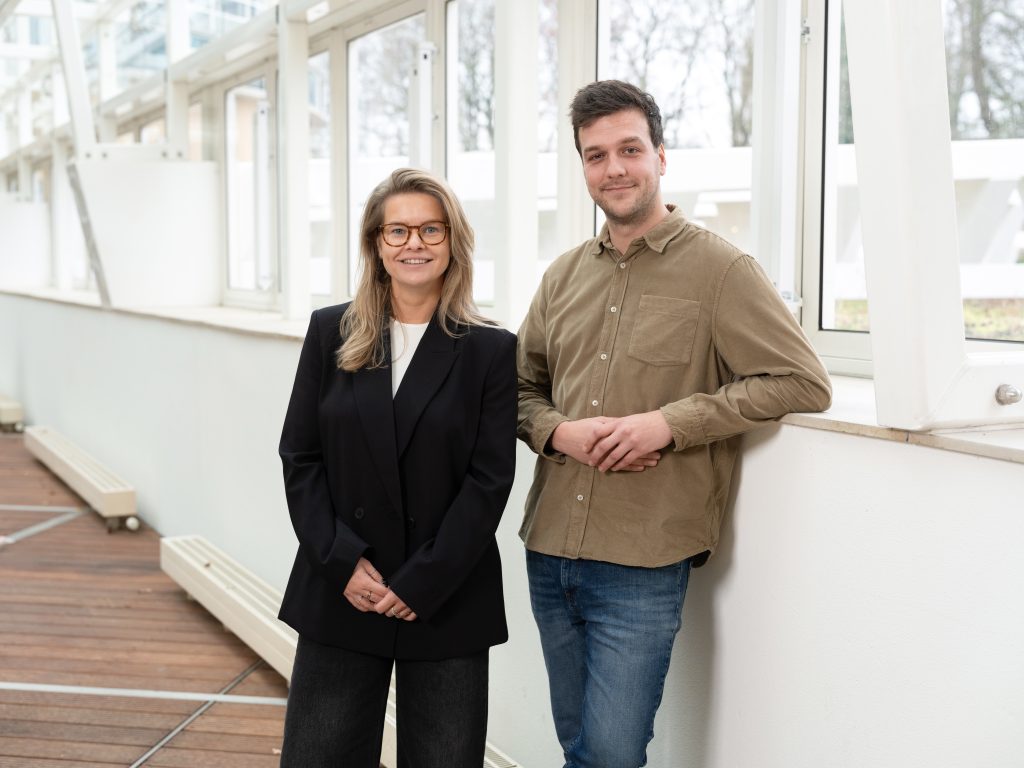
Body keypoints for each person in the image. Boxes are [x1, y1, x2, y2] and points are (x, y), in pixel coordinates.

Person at [517, 80, 832, 767]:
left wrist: (670, 423)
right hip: (549, 547)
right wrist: (557, 432)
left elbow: (801, 380)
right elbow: (518, 389)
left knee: (610, 755)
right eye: (596, 155)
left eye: (630, 149)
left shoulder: (722, 269)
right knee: (578, 746)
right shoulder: (562, 277)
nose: (614, 168)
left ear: (660, 156)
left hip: (643, 559)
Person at [277, 168, 517, 768]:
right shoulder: (331, 331)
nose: (415, 243)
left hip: (445, 593)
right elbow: (300, 456)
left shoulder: (490, 348)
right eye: (399, 230)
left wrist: (423, 581)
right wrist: (341, 561)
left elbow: (489, 481)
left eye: (431, 229)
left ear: (453, 241)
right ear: (376, 244)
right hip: (342, 585)